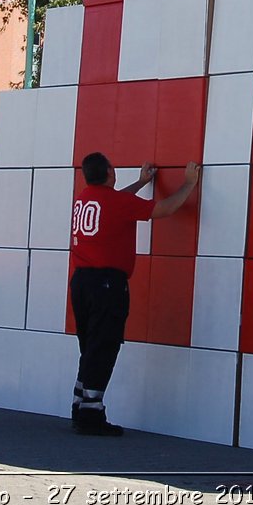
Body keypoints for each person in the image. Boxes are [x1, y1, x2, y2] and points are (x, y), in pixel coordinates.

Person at [69, 154, 201, 436]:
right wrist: (189, 185)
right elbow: (163, 209)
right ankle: (91, 413)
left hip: (81, 281)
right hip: (106, 283)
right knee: (104, 345)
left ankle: (81, 404)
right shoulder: (115, 202)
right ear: (109, 173)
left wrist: (142, 182)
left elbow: (119, 202)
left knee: (90, 345)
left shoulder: (86, 198)